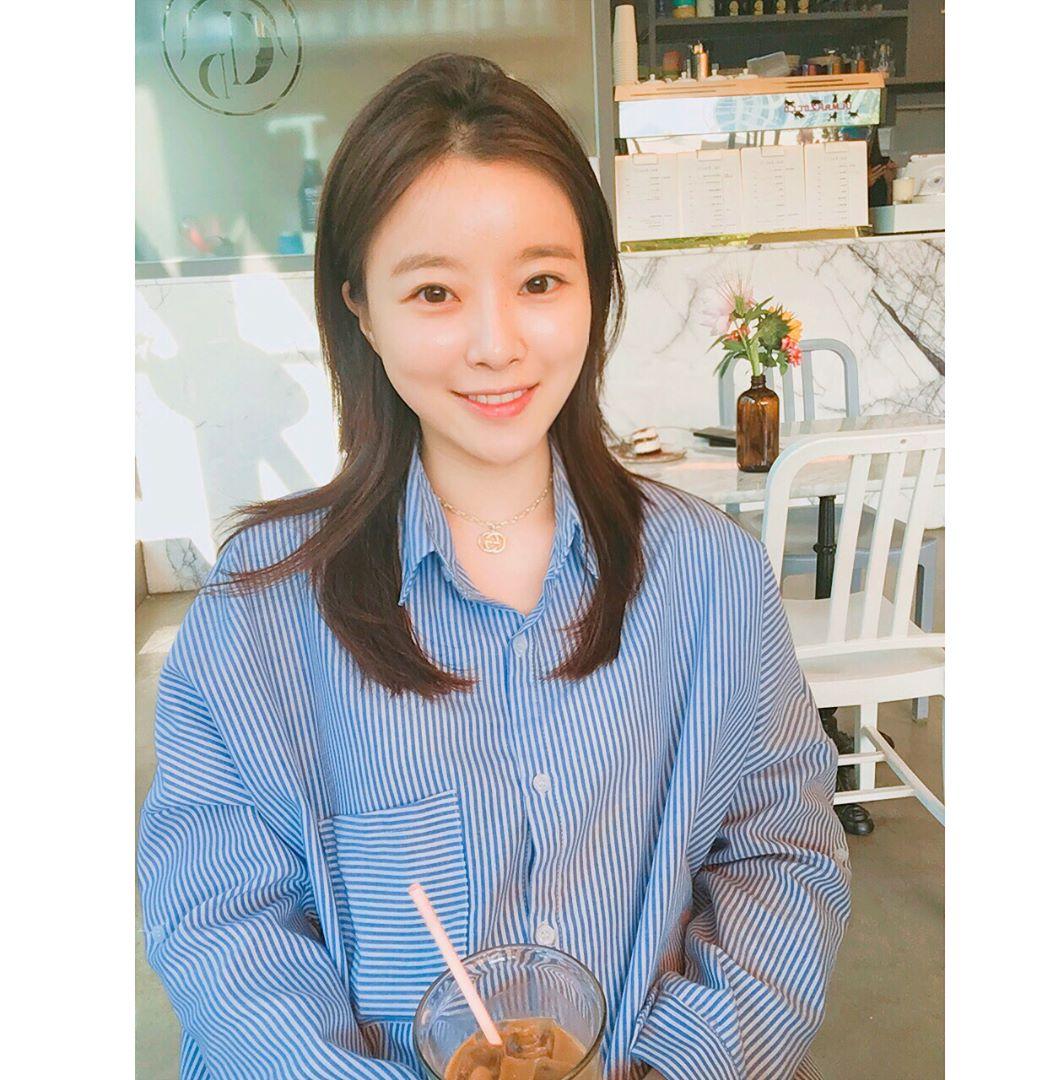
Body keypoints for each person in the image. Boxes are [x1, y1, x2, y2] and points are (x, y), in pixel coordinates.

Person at [137, 53, 851, 1080]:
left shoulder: (713, 579)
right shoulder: (260, 608)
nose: (496, 344)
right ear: (360, 306)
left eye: (540, 282)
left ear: (595, 288)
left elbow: (782, 849)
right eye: (434, 291)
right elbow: (220, 922)